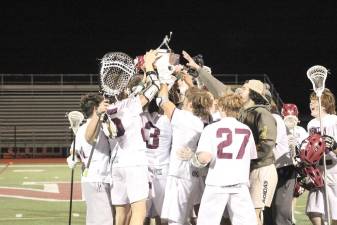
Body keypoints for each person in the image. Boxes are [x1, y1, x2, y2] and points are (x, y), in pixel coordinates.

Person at [85, 50, 162, 225]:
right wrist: (149, 65)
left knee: (120, 215)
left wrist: (97, 114)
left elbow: (89, 136)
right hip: (134, 162)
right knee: (139, 211)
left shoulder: (105, 110)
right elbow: (156, 85)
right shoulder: (131, 104)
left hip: (117, 164)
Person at [192, 93, 257, 225]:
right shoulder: (246, 129)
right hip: (240, 184)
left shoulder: (210, 129)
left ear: (222, 107)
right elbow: (251, 157)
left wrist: (193, 159)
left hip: (217, 183)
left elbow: (203, 157)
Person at [158, 83, 213, 225]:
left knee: (174, 220)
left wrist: (164, 81)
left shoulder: (183, 118)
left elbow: (162, 101)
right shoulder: (202, 122)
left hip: (180, 173)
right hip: (194, 174)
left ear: (189, 103)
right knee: (189, 219)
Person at [66, 93, 114, 225]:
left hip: (89, 179)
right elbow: (88, 139)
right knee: (105, 221)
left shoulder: (81, 129)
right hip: (98, 179)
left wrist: (74, 159)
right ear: (95, 108)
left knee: (94, 220)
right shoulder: (95, 127)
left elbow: (73, 152)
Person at [236, 79, 278, 225]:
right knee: (249, 214)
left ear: (253, 93)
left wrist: (243, 157)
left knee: (253, 214)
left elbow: (267, 143)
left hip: (262, 169)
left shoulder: (261, 113)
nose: (240, 91)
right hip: (251, 168)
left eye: (245, 88)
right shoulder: (244, 112)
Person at [305, 88, 337, 225]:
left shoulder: (334, 120)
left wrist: (334, 146)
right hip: (317, 170)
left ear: (323, 104)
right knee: (313, 210)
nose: (310, 104)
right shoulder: (311, 124)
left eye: (313, 101)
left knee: (335, 211)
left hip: (333, 169)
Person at [142, 99, 172, 225]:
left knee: (142, 213)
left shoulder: (140, 118)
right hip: (163, 168)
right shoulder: (167, 120)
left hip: (145, 168)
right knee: (163, 213)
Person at [280, 103, 308, 225]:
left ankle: (291, 214)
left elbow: (306, 146)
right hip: (283, 164)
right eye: (288, 118)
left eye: (293, 119)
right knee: (283, 194)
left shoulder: (301, 131)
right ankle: (284, 215)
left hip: (297, 165)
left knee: (295, 192)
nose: (291, 121)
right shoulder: (280, 129)